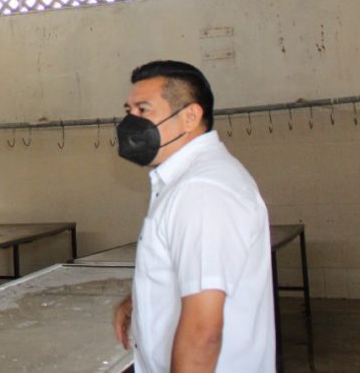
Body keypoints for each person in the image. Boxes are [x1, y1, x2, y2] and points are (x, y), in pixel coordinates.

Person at [111, 60, 274, 373]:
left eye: (144, 110)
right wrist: (140, 301)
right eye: (129, 111)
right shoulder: (187, 180)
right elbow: (191, 272)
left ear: (190, 116)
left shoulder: (201, 190)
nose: (130, 122)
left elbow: (203, 332)